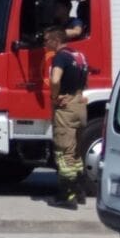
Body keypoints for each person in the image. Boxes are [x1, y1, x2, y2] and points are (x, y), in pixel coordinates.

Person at [45, 27, 88, 208]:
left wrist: (54, 97)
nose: (45, 44)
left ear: (56, 40)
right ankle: (80, 192)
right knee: (76, 151)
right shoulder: (80, 56)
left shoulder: (60, 57)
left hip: (66, 108)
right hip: (80, 105)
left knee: (64, 151)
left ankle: (66, 196)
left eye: (47, 40)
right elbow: (85, 80)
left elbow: (55, 80)